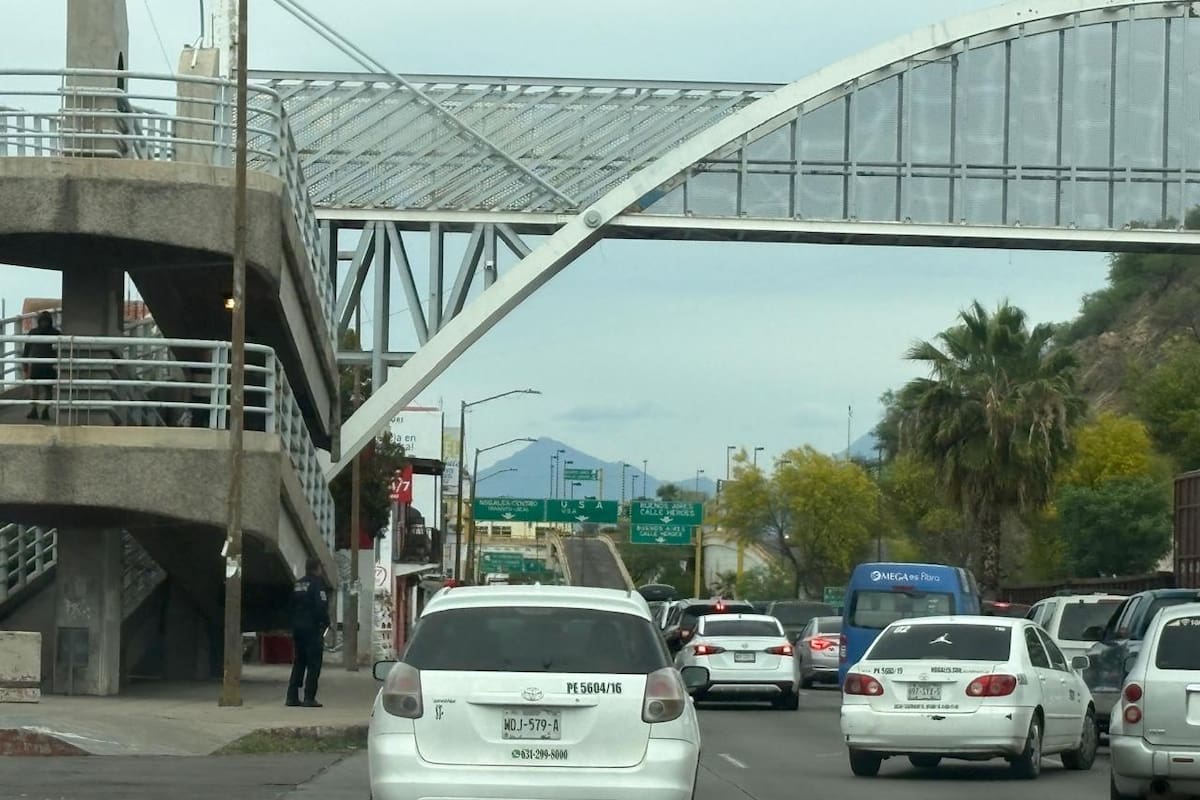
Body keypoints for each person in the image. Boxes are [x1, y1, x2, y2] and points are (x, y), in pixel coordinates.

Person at [287, 557, 330, 708]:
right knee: (313, 663)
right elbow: (321, 606)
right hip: (312, 628)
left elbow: (290, 605)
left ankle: (292, 696)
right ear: (317, 568)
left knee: (299, 661)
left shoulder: (298, 584)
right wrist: (326, 622)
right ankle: (309, 697)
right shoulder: (317, 584)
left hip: (298, 628)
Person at [22, 311, 61, 420]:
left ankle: (45, 410)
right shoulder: (33, 333)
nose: (44, 323)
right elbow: (26, 351)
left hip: (49, 366)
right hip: (37, 365)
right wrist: (25, 368)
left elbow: (63, 351)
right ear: (39, 322)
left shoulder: (56, 333)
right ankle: (34, 410)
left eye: (46, 321)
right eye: (43, 321)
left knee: (48, 389)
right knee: (35, 389)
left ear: (50, 322)